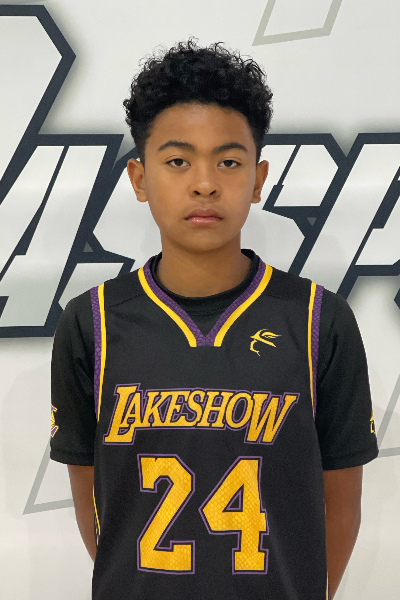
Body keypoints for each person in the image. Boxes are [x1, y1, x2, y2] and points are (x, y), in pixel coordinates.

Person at [50, 40, 378, 600]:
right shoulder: (93, 323)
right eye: (178, 161)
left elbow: (341, 504)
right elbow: (96, 505)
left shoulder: (319, 320)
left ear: (258, 178)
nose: (205, 183)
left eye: (228, 161)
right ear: (139, 178)